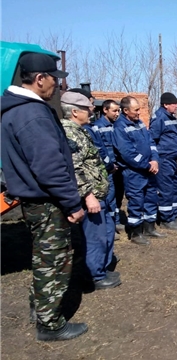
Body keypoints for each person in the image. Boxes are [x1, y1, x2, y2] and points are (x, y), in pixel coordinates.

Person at [0, 52, 88, 341]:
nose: (58, 86)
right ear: (39, 79)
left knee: (43, 257)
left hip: (34, 199)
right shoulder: (32, 114)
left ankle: (39, 309)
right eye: (54, 79)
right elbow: (49, 167)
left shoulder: (15, 110)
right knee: (55, 259)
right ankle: (50, 324)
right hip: (47, 201)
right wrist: (72, 202)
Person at [60, 92, 121, 290]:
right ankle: (94, 276)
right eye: (87, 108)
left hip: (98, 194)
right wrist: (89, 196)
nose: (92, 110)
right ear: (75, 112)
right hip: (90, 197)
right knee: (94, 237)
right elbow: (75, 169)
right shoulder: (70, 133)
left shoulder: (81, 130)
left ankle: (100, 268)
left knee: (102, 233)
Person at [112, 96, 161, 245]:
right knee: (136, 202)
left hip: (149, 170)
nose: (139, 113)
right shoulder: (120, 127)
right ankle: (136, 233)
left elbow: (151, 142)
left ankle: (150, 228)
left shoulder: (139, 123)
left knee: (151, 199)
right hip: (134, 173)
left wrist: (155, 160)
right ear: (126, 111)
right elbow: (128, 153)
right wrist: (147, 164)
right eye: (136, 110)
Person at [149, 92, 177, 230]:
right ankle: (167, 218)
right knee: (166, 189)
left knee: (175, 186)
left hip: (173, 159)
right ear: (165, 104)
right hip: (164, 159)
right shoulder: (159, 118)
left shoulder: (171, 117)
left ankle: (176, 214)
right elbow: (152, 139)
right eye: (174, 104)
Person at [87, 100, 125, 234]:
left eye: (118, 111)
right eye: (114, 111)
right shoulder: (97, 127)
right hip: (108, 167)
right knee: (109, 196)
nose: (117, 113)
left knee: (119, 195)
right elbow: (100, 150)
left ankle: (116, 221)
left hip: (119, 166)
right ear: (105, 110)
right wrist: (109, 165)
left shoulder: (117, 125)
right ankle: (110, 226)